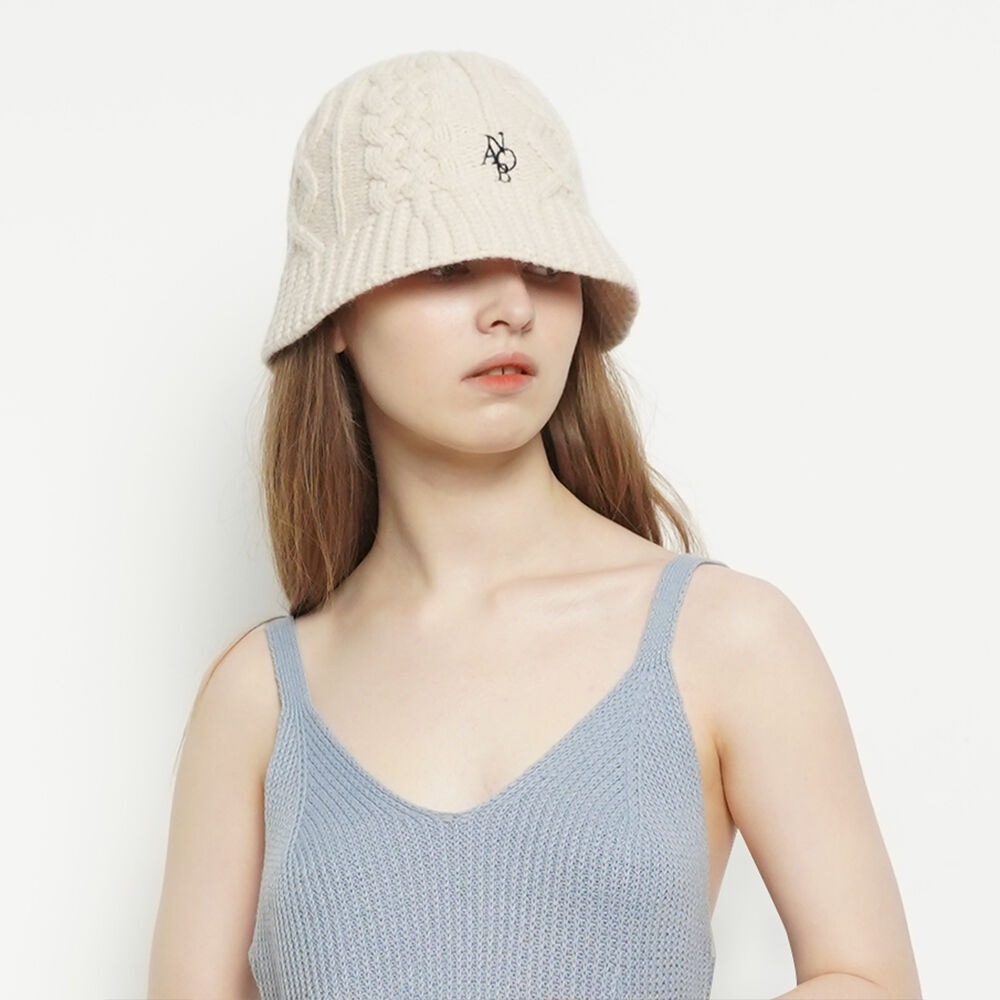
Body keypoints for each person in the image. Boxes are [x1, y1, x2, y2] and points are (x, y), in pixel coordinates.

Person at [147, 50, 922, 1000]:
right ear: (335, 311)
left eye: (547, 268)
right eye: (449, 264)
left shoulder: (726, 638)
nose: (513, 307)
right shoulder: (259, 700)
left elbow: (867, 978)